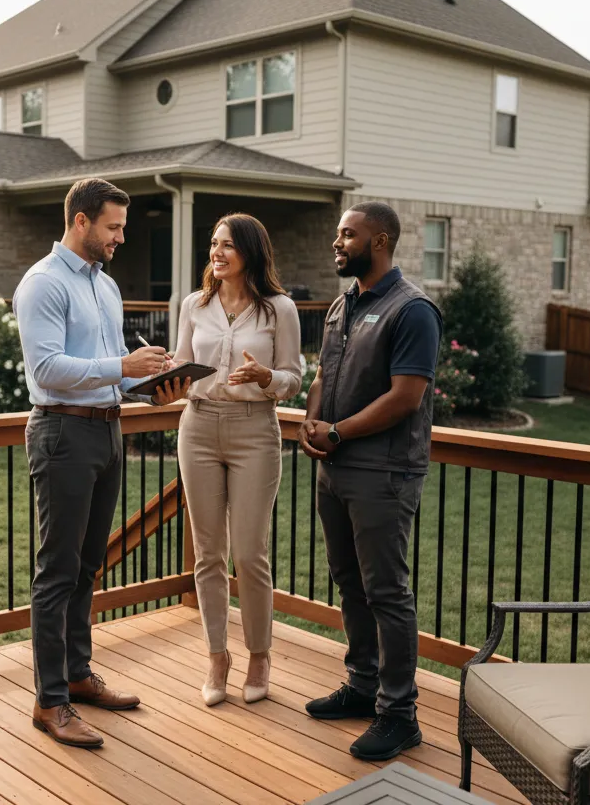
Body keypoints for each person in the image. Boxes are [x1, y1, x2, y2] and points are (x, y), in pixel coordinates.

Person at [13, 177, 188, 749]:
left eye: (123, 228)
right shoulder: (43, 283)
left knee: (88, 565)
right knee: (57, 570)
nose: (119, 238)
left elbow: (104, 369)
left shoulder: (106, 287)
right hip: (62, 433)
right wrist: (123, 366)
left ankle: (78, 676)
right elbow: (49, 370)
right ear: (81, 221)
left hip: (108, 430)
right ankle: (50, 700)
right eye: (112, 227)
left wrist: (150, 386)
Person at [297, 201, 442, 761]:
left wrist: (336, 433)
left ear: (379, 240)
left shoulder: (413, 311)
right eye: (338, 234)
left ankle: (399, 713)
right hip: (335, 468)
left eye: (347, 235)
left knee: (387, 591)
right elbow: (322, 375)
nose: (337, 243)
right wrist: (313, 422)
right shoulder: (342, 305)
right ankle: (362, 686)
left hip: (382, 472)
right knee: (349, 582)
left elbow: (406, 397)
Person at [173, 213, 301, 707]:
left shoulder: (278, 310)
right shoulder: (193, 304)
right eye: (213, 243)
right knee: (207, 554)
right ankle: (216, 656)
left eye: (227, 244)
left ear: (250, 250)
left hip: (254, 432)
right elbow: (184, 366)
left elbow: (294, 376)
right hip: (198, 425)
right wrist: (166, 378)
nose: (217, 252)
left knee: (248, 554)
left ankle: (259, 655)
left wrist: (268, 378)